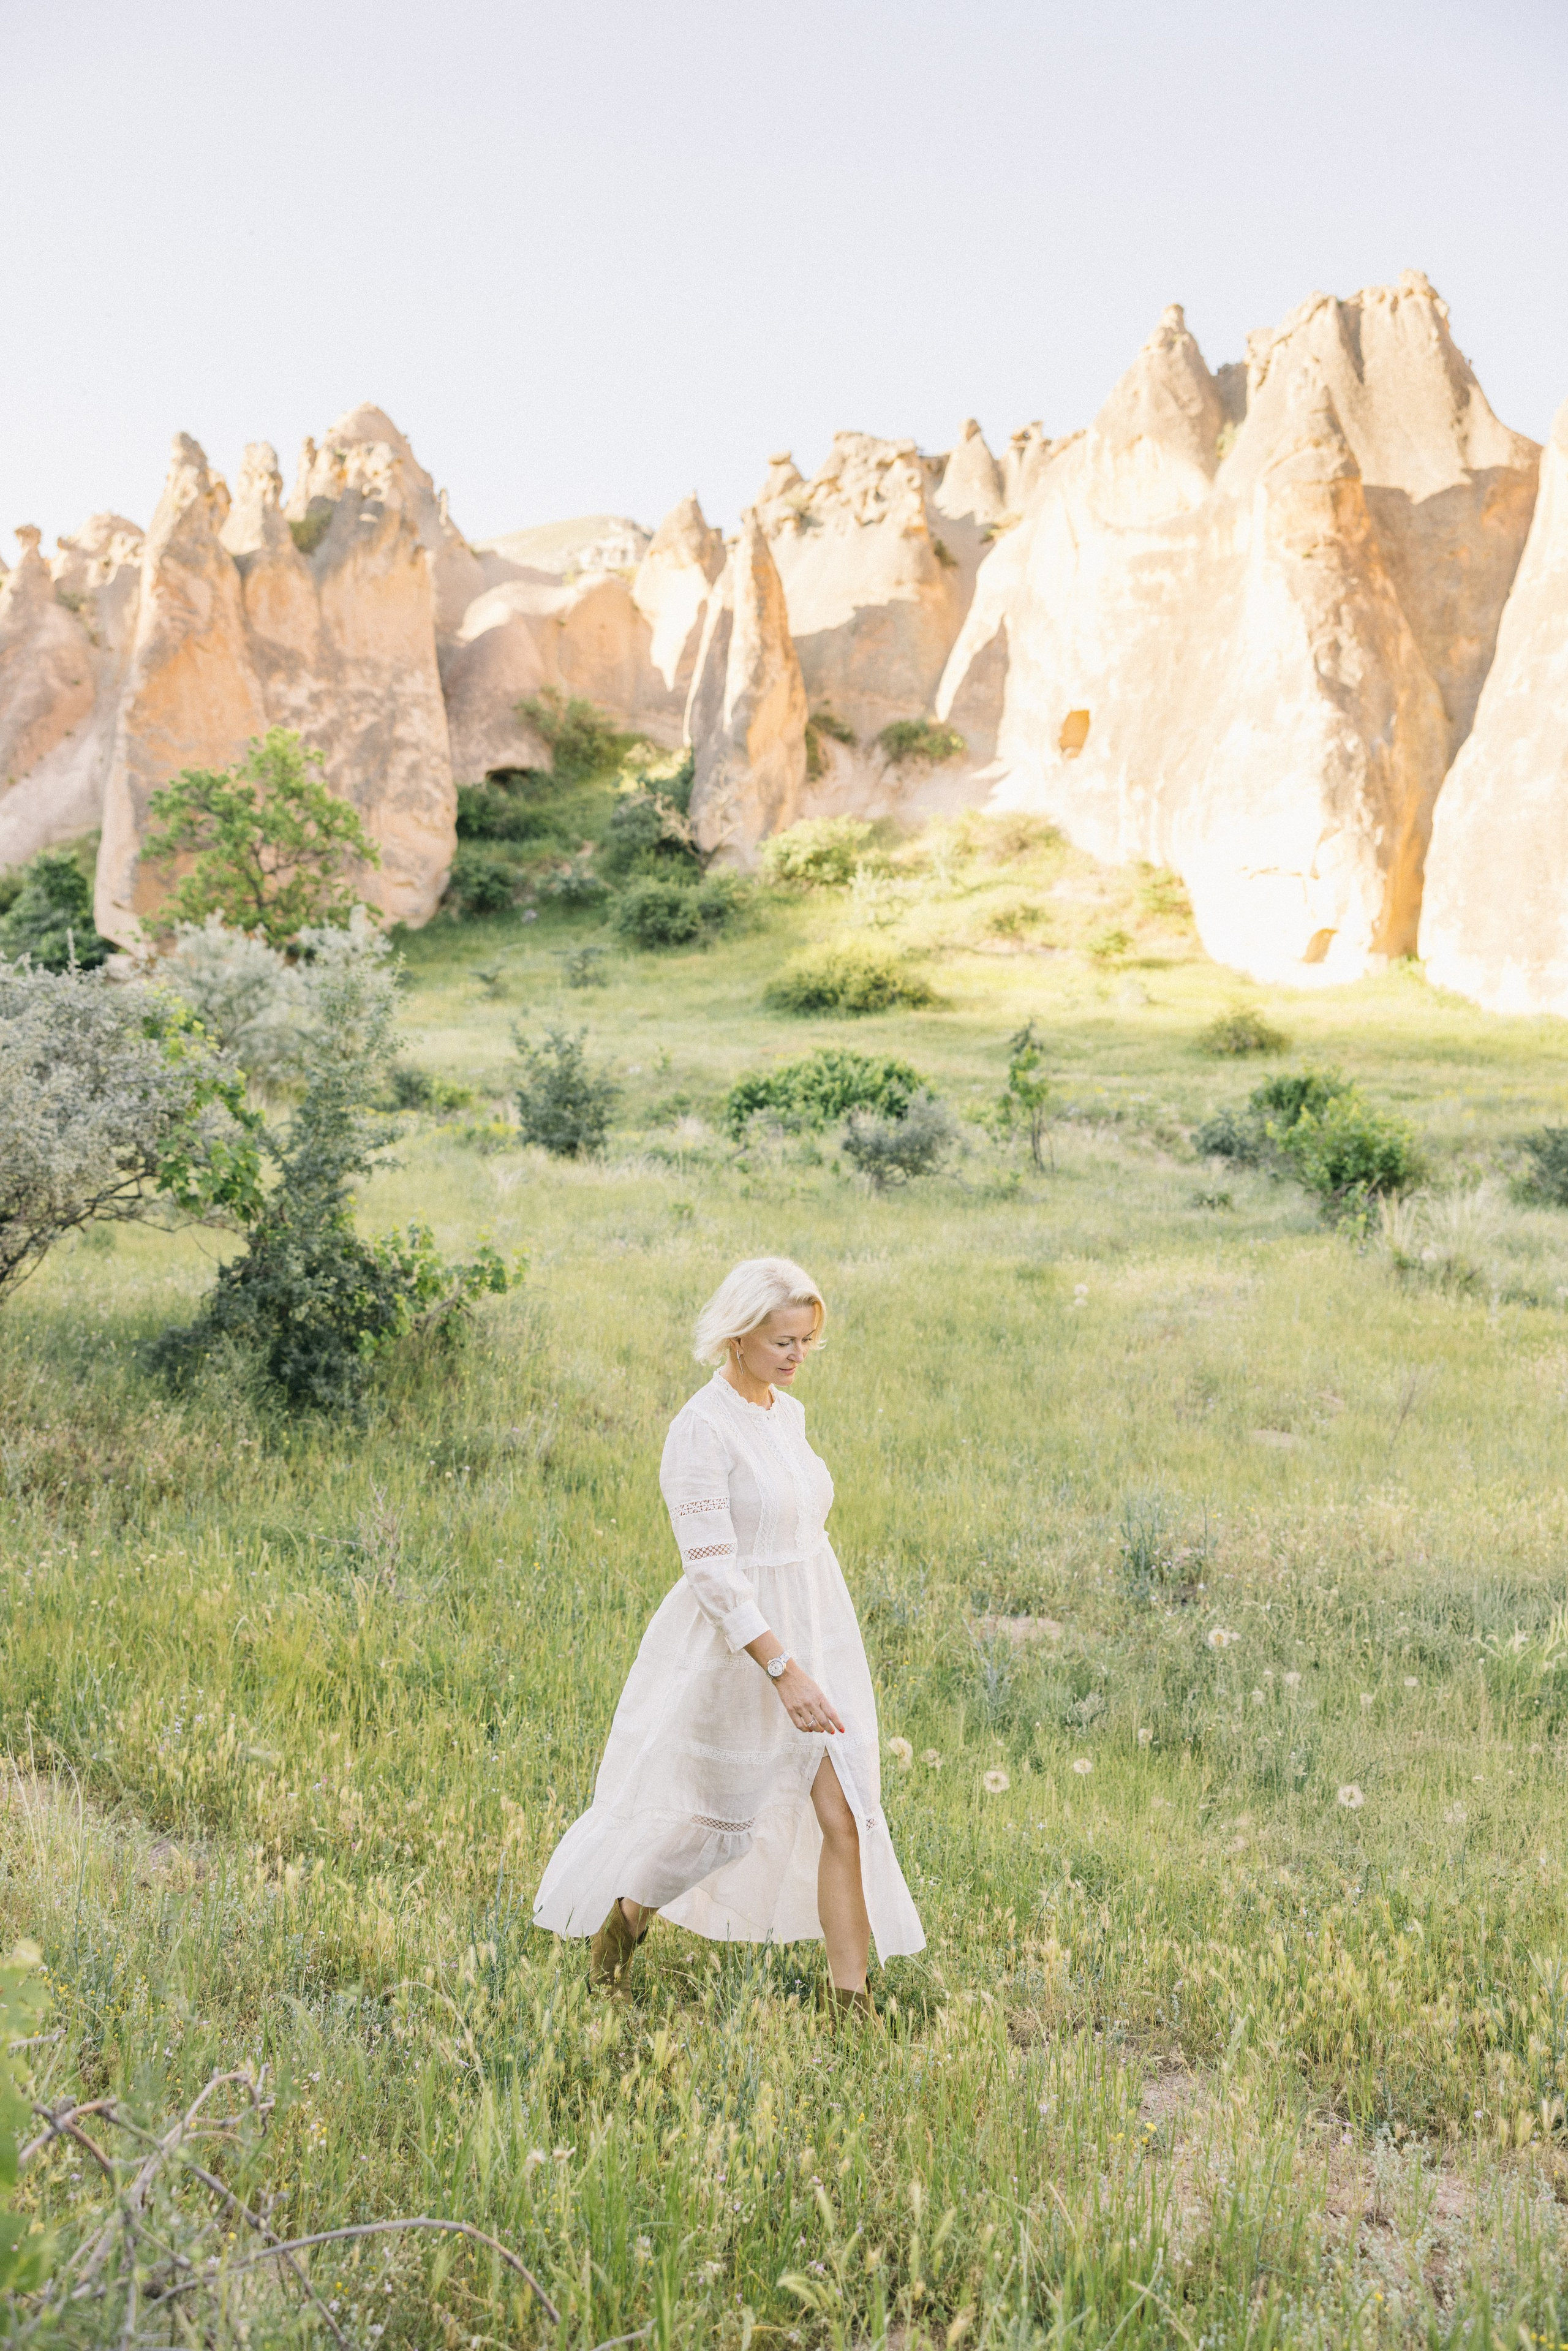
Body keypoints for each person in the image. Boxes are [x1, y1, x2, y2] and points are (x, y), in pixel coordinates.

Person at [532, 1256, 924, 2014]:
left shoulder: (787, 1413)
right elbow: (711, 1571)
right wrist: (783, 1669)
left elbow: (802, 1530)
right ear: (737, 1335)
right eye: (783, 1340)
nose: (796, 1355)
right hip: (742, 1649)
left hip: (818, 1625)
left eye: (807, 1341)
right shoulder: (699, 1429)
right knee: (720, 1824)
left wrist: (815, 1656)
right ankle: (622, 1926)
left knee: (845, 1811)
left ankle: (854, 2006)